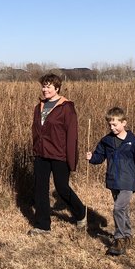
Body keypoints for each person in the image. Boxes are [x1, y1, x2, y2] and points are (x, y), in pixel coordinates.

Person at [29, 73, 87, 235]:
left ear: (57, 88)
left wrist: (71, 159)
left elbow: (72, 135)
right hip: (41, 154)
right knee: (40, 189)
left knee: (62, 188)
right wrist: (36, 148)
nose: (45, 89)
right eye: (43, 86)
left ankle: (81, 212)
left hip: (59, 154)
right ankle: (42, 225)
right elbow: (36, 130)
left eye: (48, 86)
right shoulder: (39, 107)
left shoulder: (66, 108)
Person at [86, 107, 135, 255]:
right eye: (110, 125)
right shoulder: (106, 141)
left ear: (124, 122)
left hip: (128, 182)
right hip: (113, 180)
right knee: (123, 210)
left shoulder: (133, 142)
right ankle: (128, 235)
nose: (112, 128)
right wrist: (92, 158)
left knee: (118, 208)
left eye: (115, 124)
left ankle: (119, 239)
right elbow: (99, 157)